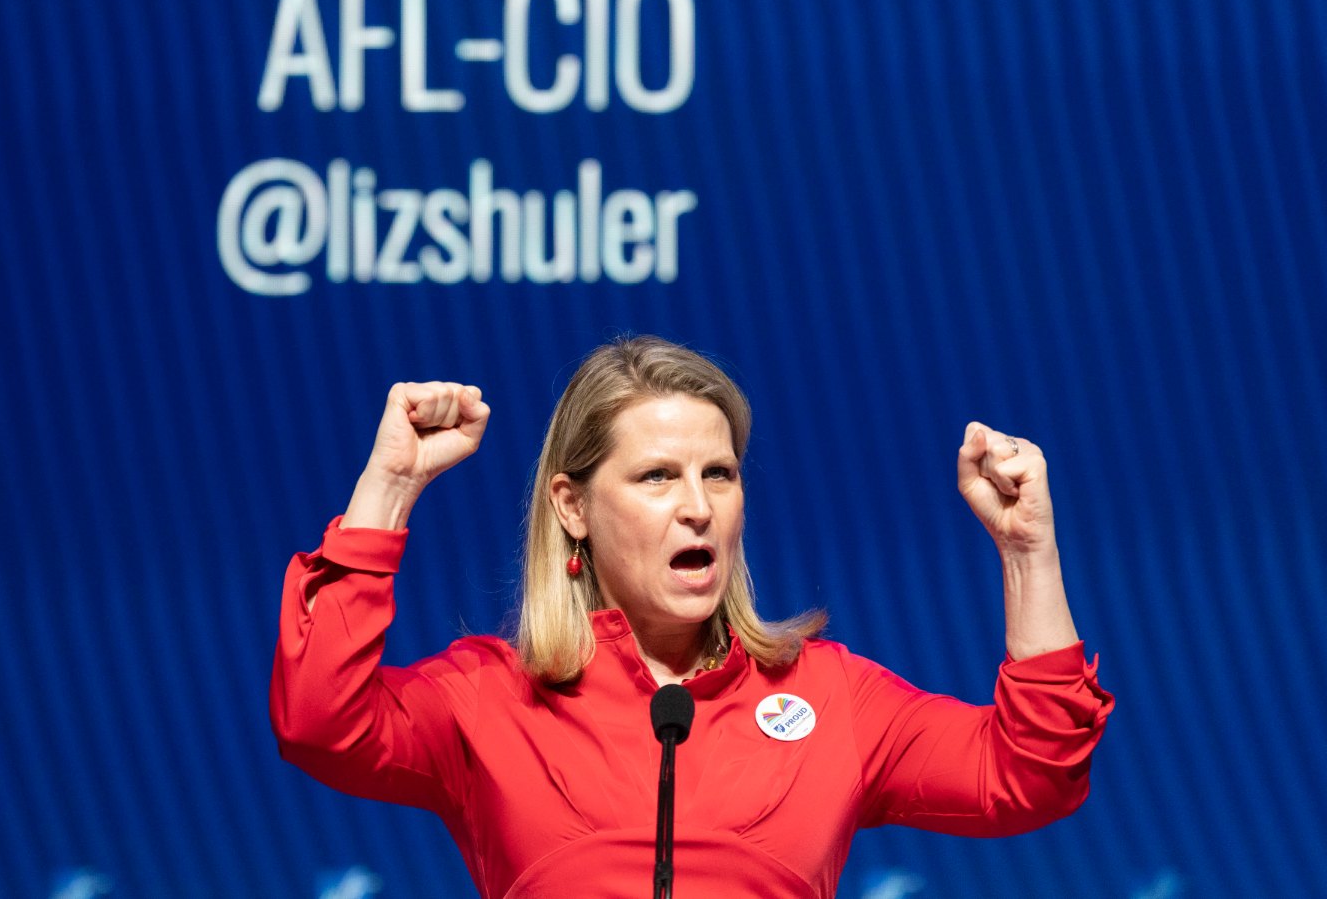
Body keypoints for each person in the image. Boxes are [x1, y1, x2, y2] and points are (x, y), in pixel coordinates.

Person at [271, 336, 1113, 898]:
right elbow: (320, 720)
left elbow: (1033, 771)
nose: (698, 507)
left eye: (718, 473)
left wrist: (1028, 552)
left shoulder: (831, 697)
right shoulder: (486, 698)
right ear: (572, 505)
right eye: (656, 478)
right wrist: (388, 487)